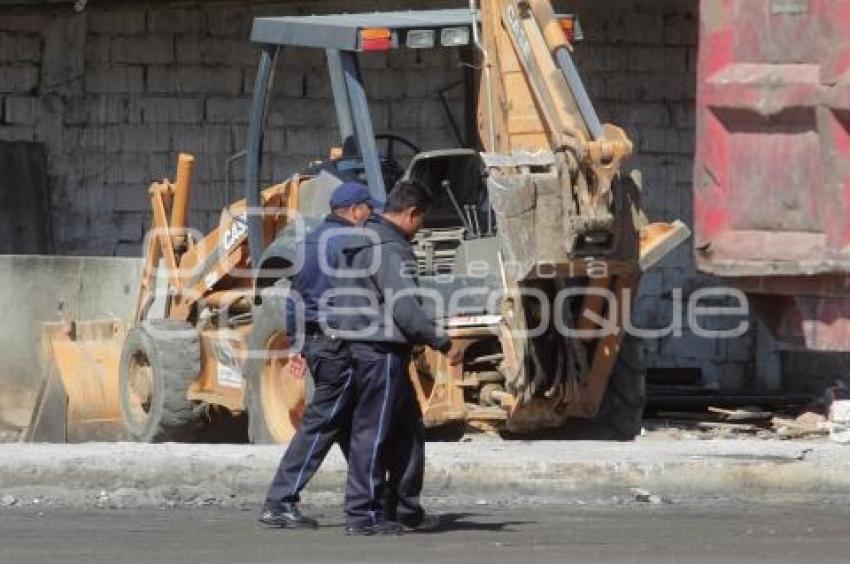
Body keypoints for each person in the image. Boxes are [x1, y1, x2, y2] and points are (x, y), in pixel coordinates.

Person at [331, 179, 462, 536]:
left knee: (406, 431)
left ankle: (403, 509)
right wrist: (443, 342)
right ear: (410, 213)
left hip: (366, 348)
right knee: (372, 433)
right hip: (380, 351)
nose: (420, 229)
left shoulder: (360, 239)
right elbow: (405, 308)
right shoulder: (389, 248)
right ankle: (363, 515)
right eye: (421, 220)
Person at [258, 181, 376, 529]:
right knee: (323, 423)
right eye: (368, 208)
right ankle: (279, 501)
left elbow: (295, 297)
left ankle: (374, 497)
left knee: (345, 423)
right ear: (355, 210)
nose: (371, 214)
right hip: (337, 345)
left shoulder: (308, 240)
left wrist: (297, 344)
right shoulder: (351, 243)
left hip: (316, 341)